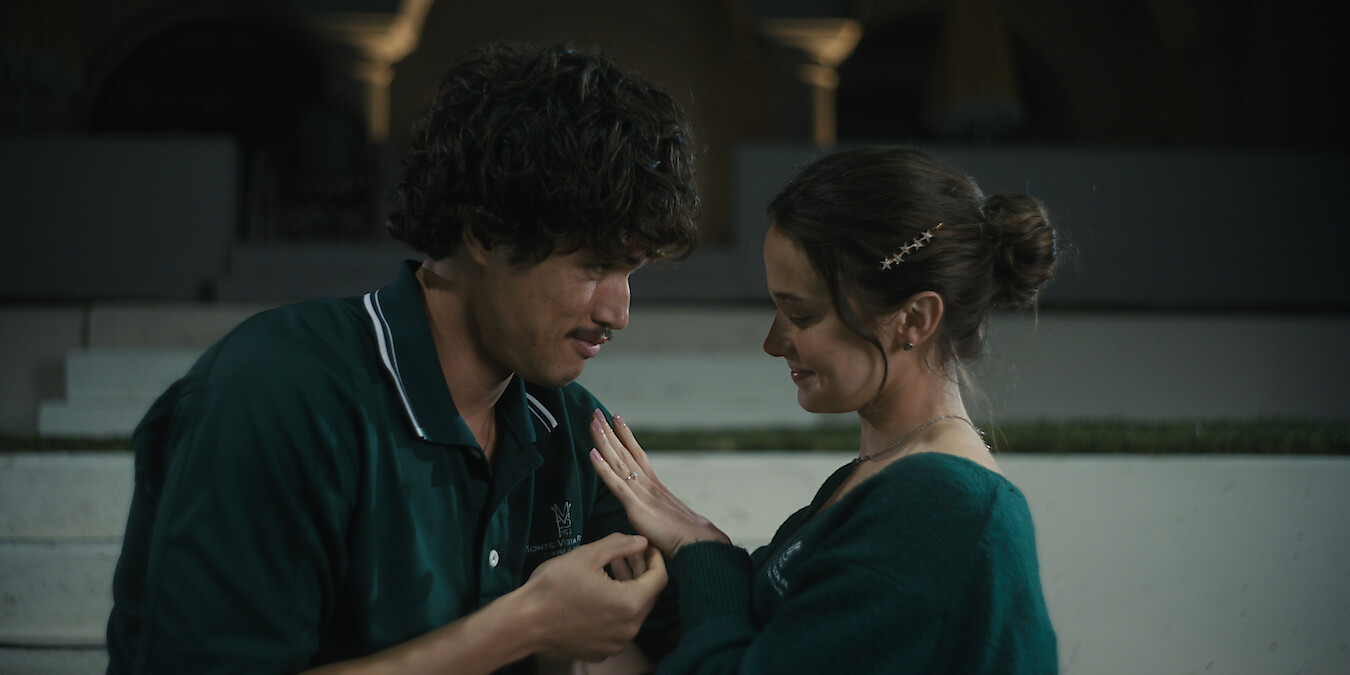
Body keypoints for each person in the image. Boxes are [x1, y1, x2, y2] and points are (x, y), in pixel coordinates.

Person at [106, 43, 699, 674]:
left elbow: (690, 640)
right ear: (484, 231)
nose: (619, 311)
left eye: (631, 273)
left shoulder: (567, 427)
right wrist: (523, 625)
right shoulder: (280, 395)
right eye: (596, 266)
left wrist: (698, 546)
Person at [588, 146, 1060, 673]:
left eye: (802, 314)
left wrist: (703, 552)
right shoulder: (879, 478)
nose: (773, 342)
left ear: (915, 319)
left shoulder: (943, 511)